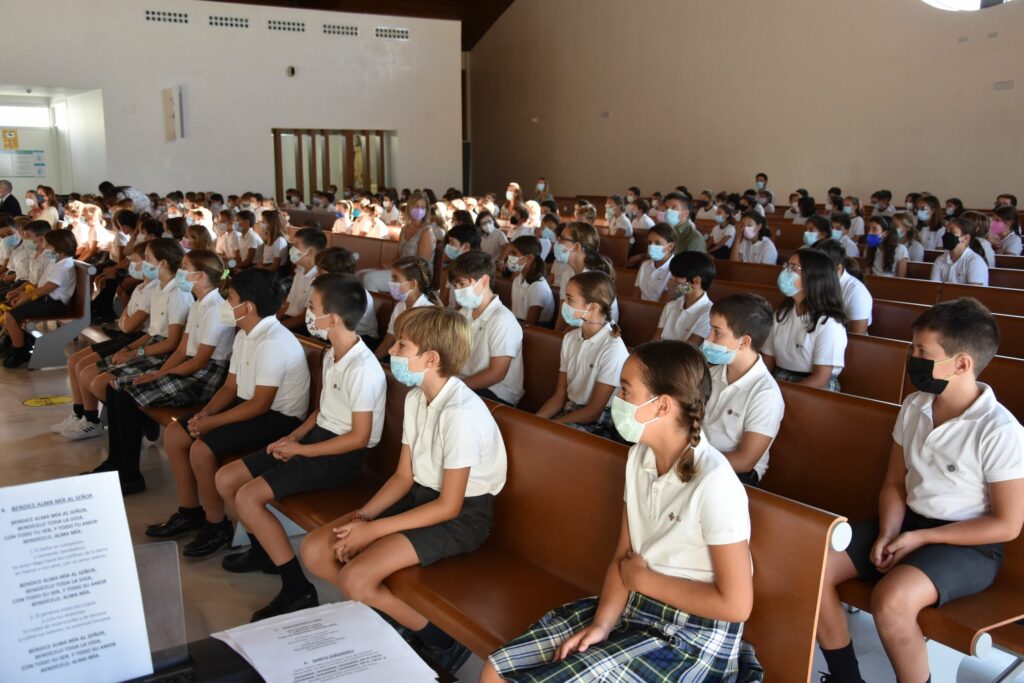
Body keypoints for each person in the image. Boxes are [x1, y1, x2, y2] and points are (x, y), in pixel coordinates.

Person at [482, 340, 759, 683]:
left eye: (626, 392)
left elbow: (735, 605)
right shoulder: (639, 458)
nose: (617, 400)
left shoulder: (715, 483)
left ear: (662, 406)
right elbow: (623, 555)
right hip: (635, 605)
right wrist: (602, 625)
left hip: (694, 635)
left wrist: (643, 580)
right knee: (496, 670)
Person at [816, 298, 1024, 683]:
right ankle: (846, 677)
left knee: (891, 601)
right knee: (815, 565)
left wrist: (919, 538)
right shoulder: (916, 405)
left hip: (967, 545)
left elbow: (1007, 524)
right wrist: (890, 532)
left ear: (961, 363)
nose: (910, 357)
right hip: (908, 523)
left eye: (921, 351)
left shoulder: (999, 430)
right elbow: (895, 482)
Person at [301, 305, 507, 676]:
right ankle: (393, 618)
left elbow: (449, 505)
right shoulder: (416, 397)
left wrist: (373, 531)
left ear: (430, 358)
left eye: (401, 346)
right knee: (317, 549)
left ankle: (440, 641)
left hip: (462, 517)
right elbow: (402, 477)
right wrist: (363, 518)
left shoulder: (459, 412)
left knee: (355, 578)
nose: (391, 352)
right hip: (421, 500)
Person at [214, 275, 386, 621]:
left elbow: (358, 437)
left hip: (339, 456)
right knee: (227, 478)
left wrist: (303, 451)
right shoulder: (333, 354)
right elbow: (322, 411)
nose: (307, 313)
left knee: (248, 496)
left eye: (313, 308)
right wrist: (294, 438)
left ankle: (296, 588)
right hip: (316, 440)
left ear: (333, 319)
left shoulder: (364, 368)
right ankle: (264, 551)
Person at [146, 268, 310, 559]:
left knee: (201, 450)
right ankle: (189, 511)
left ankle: (216, 525)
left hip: (278, 418)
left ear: (247, 307)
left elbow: (260, 404)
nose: (224, 304)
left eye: (230, 298)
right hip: (250, 406)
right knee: (176, 434)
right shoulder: (246, 333)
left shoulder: (272, 341)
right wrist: (204, 415)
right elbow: (230, 387)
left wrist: (212, 423)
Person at [97, 250, 236, 494]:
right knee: (115, 388)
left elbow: (200, 360)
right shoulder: (199, 303)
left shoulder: (216, 308)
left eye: (184, 267)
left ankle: (129, 475)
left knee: (127, 396)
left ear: (200, 276)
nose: (180, 272)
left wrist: (159, 376)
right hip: (191, 366)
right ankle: (115, 462)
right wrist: (159, 371)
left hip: (206, 375)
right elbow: (183, 349)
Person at [55, 243, 158, 438]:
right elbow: (124, 320)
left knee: (86, 371)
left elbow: (128, 324)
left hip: (139, 338)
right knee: (73, 361)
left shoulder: (154, 290)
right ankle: (80, 414)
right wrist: (126, 320)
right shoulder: (141, 288)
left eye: (136, 261)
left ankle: (92, 420)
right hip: (130, 335)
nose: (132, 265)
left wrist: (126, 321)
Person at [701, 294, 784, 487]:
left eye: (717, 333)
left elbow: (745, 460)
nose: (708, 338)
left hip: (734, 472)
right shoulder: (711, 374)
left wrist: (691, 463)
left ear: (744, 342)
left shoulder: (765, 394)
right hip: (700, 456)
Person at [536, 271, 628, 439]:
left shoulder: (613, 348)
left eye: (570, 300)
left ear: (591, 307)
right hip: (570, 410)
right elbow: (560, 395)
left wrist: (553, 425)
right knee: (533, 431)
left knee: (548, 438)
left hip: (598, 421)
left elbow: (594, 411)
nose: (564, 304)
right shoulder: (570, 338)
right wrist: (536, 421)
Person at [763, 249, 848, 391]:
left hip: (814, 387)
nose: (785, 272)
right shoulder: (781, 314)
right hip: (780, 379)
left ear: (813, 277)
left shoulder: (829, 323)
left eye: (793, 268)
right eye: (786, 266)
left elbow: (821, 378)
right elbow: (768, 361)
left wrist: (780, 395)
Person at [449, 251, 524, 406]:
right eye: (455, 286)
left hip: (497, 391)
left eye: (462, 284)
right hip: (466, 382)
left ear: (483, 281)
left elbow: (496, 374)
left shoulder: (502, 319)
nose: (457, 291)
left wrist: (455, 387)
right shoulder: (464, 313)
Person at [2, 229, 78, 368]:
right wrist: (20, 293)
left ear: (59, 246)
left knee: (10, 316)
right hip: (46, 300)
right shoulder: (56, 262)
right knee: (11, 310)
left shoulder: (64, 266)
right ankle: (17, 343)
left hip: (53, 304)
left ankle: (19, 351)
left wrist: (24, 298)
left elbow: (46, 289)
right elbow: (40, 284)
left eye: (48, 245)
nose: (44, 247)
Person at [374, 256, 442, 361]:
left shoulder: (429, 313)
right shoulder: (400, 306)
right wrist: (374, 360)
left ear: (412, 284)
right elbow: (388, 340)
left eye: (395, 279)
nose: (391, 283)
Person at [315, 247, 378, 348]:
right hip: (337, 330)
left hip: (362, 338)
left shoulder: (352, 294)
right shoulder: (331, 288)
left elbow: (340, 327)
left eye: (320, 272)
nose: (316, 275)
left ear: (335, 274)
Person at [815, 239, 873, 335]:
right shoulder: (814, 282)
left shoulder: (857, 292)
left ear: (838, 269)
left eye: (819, 268)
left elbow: (857, 338)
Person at [655, 251, 715, 344]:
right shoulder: (670, 306)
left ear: (696, 281)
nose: (672, 281)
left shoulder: (709, 313)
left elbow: (688, 350)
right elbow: (655, 341)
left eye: (677, 277)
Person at [278, 227, 327, 331]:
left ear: (310, 252)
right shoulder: (300, 271)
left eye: (296, 246)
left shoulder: (318, 279)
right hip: (288, 320)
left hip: (300, 326)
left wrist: (278, 328)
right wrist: (274, 320)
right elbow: (287, 304)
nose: (292, 249)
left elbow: (304, 317)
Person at [507, 235, 554, 325]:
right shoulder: (517, 280)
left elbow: (531, 324)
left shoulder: (538, 286)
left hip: (534, 330)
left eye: (514, 253)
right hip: (517, 324)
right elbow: (513, 311)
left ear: (529, 258)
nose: (510, 256)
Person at [930, 216, 989, 286]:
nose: (947, 235)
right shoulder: (940, 260)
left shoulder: (975, 261)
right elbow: (934, 288)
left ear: (966, 238)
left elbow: (974, 292)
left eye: (951, 231)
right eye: (946, 231)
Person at [633, 223, 676, 301]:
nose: (652, 246)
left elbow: (665, 302)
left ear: (670, 246)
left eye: (657, 243)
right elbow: (637, 293)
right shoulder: (645, 265)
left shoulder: (676, 270)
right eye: (649, 243)